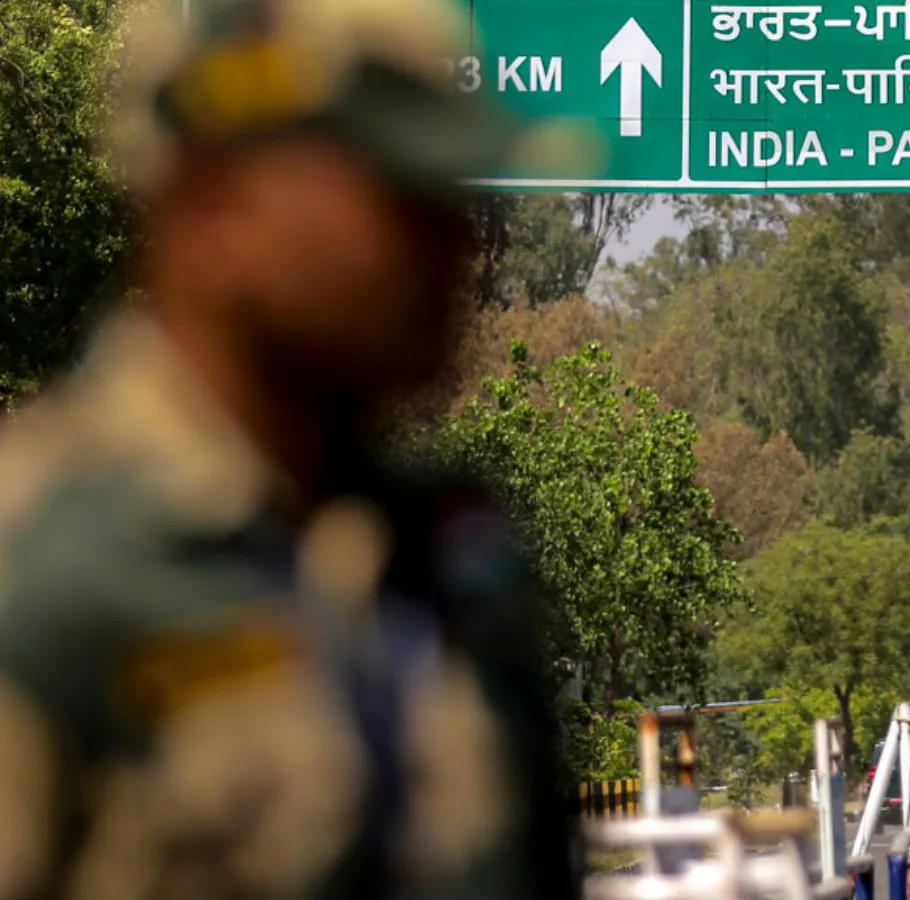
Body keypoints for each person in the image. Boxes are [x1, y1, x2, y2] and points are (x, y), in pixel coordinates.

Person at [0, 0, 578, 897]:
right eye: (402, 202)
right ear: (218, 207)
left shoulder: (456, 551)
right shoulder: (41, 558)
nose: (458, 247)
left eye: (456, 204)